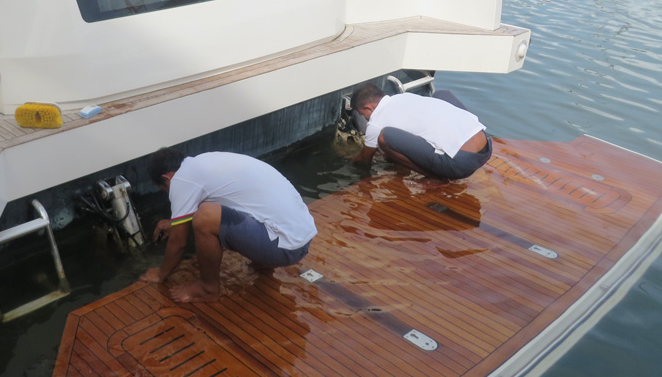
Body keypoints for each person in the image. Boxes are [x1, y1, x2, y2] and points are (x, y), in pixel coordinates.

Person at [140, 148, 317, 303]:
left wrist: (161, 274)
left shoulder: (180, 180)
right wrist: (176, 222)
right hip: (300, 240)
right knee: (226, 208)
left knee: (204, 216)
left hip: (284, 249)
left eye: (165, 190)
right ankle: (263, 262)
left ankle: (207, 289)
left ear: (167, 178)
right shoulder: (205, 162)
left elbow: (178, 244)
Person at [351, 83, 492, 180]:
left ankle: (435, 178)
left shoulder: (376, 122)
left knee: (384, 137)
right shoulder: (404, 97)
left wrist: (348, 158)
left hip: (461, 164)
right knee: (442, 94)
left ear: (369, 108)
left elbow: (364, 161)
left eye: (363, 114)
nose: (366, 118)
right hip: (486, 147)